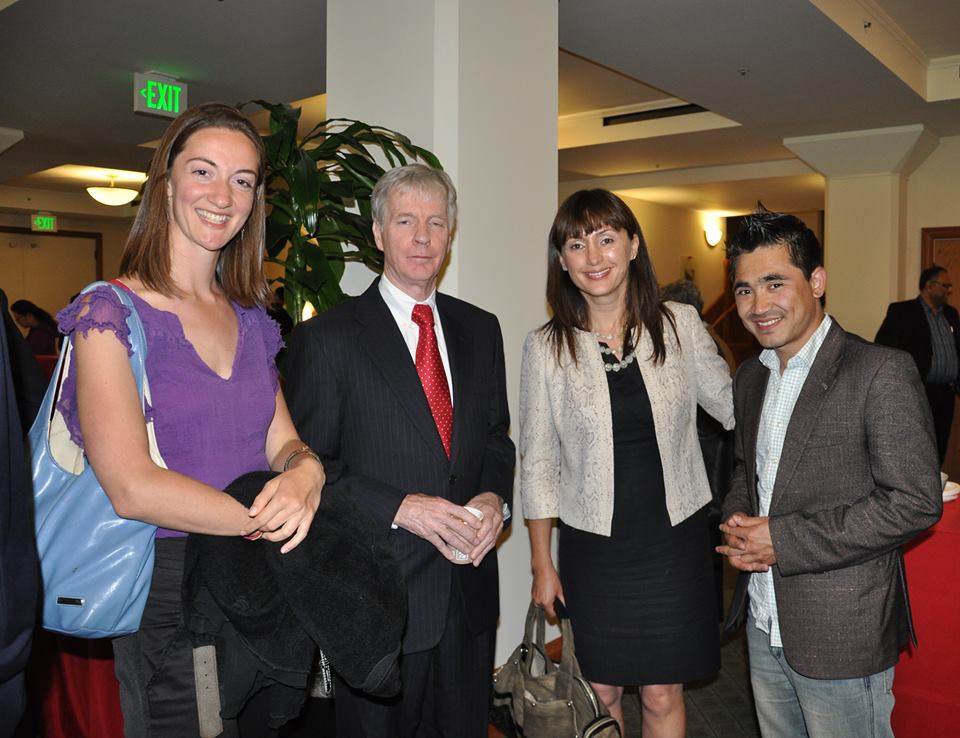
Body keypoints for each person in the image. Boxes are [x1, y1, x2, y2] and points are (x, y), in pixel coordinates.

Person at [55, 102, 325, 736]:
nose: (222, 195)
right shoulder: (109, 312)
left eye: (242, 180)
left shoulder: (253, 318)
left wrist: (306, 474)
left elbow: (281, 439)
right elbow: (131, 486)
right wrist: (269, 521)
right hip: (169, 585)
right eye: (203, 171)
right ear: (166, 182)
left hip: (258, 578)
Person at [286, 163, 515, 738]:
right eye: (406, 220)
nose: (422, 236)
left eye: (436, 222)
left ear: (450, 234)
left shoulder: (480, 329)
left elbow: (496, 438)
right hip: (377, 601)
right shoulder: (328, 339)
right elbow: (307, 467)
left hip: (468, 597)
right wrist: (400, 507)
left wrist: (494, 497)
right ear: (378, 232)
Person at [717, 211, 943, 738]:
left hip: (843, 630)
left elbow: (915, 501)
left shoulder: (880, 371)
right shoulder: (751, 376)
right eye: (745, 289)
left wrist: (782, 538)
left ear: (816, 281)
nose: (758, 305)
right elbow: (745, 469)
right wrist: (737, 518)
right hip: (763, 616)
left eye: (776, 283)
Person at [519, 189, 734, 737]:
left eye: (607, 238)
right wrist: (543, 563)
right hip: (596, 546)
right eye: (576, 243)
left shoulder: (680, 324)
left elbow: (735, 408)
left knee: (663, 691)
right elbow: (538, 459)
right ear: (562, 261)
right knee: (602, 691)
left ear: (634, 245)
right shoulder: (547, 347)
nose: (594, 256)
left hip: (673, 538)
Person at [875, 264, 960, 464]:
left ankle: (935, 490)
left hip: (946, 394)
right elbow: (884, 348)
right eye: (945, 285)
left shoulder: (951, 314)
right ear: (929, 286)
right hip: (919, 391)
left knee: (939, 448)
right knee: (918, 448)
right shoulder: (903, 312)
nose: (949, 290)